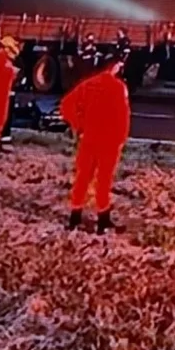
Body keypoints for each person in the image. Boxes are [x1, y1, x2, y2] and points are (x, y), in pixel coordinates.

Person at [60, 54, 131, 234]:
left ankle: (74, 217)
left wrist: (79, 127)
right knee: (103, 180)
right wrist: (121, 140)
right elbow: (123, 117)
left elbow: (66, 105)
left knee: (82, 178)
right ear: (114, 66)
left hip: (89, 139)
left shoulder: (87, 84)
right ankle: (102, 220)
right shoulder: (118, 87)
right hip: (109, 141)